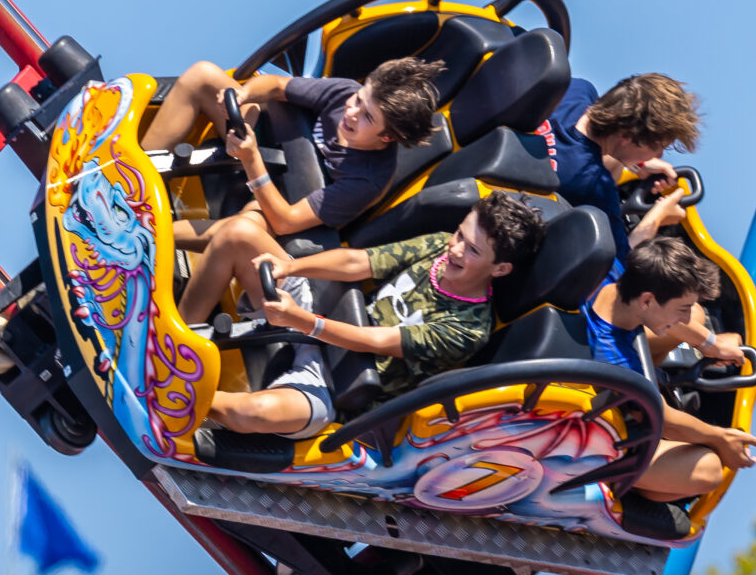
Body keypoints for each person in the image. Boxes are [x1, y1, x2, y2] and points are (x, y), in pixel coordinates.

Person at [202, 192, 546, 439]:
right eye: (460, 235)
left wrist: (302, 322)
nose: (455, 248)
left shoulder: (468, 328)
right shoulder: (440, 247)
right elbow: (358, 262)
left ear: (500, 269)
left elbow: (377, 341)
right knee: (240, 235)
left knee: (251, 413)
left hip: (338, 382)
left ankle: (173, 395)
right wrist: (290, 266)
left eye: (472, 250)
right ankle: (178, 332)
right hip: (320, 318)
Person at [142, 57, 446, 324]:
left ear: (387, 137)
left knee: (242, 228)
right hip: (264, 146)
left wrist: (251, 160)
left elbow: (285, 220)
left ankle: (146, 232)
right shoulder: (344, 93)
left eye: (368, 117)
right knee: (203, 74)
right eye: (359, 99)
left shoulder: (368, 180)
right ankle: (131, 184)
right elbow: (275, 86)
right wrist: (243, 93)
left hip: (277, 204)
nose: (351, 112)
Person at [582, 236, 756, 539]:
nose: (686, 315)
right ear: (647, 301)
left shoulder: (615, 274)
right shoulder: (615, 361)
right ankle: (627, 494)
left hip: (624, 369)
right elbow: (663, 418)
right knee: (709, 469)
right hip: (596, 438)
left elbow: (679, 319)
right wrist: (721, 438)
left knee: (695, 318)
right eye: (680, 307)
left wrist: (711, 344)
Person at [539, 73, 701, 260]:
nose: (659, 156)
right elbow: (622, 263)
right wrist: (657, 217)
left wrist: (637, 163)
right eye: (658, 147)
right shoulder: (595, 187)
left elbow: (587, 142)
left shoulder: (576, 89)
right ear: (628, 137)